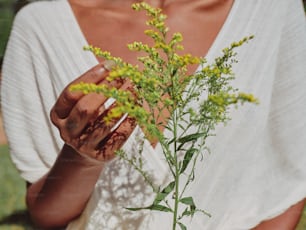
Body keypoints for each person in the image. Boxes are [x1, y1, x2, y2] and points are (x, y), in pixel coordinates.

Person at [1, 0, 306, 229]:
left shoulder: (271, 10)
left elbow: (289, 177)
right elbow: (46, 215)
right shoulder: (42, 27)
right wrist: (82, 156)